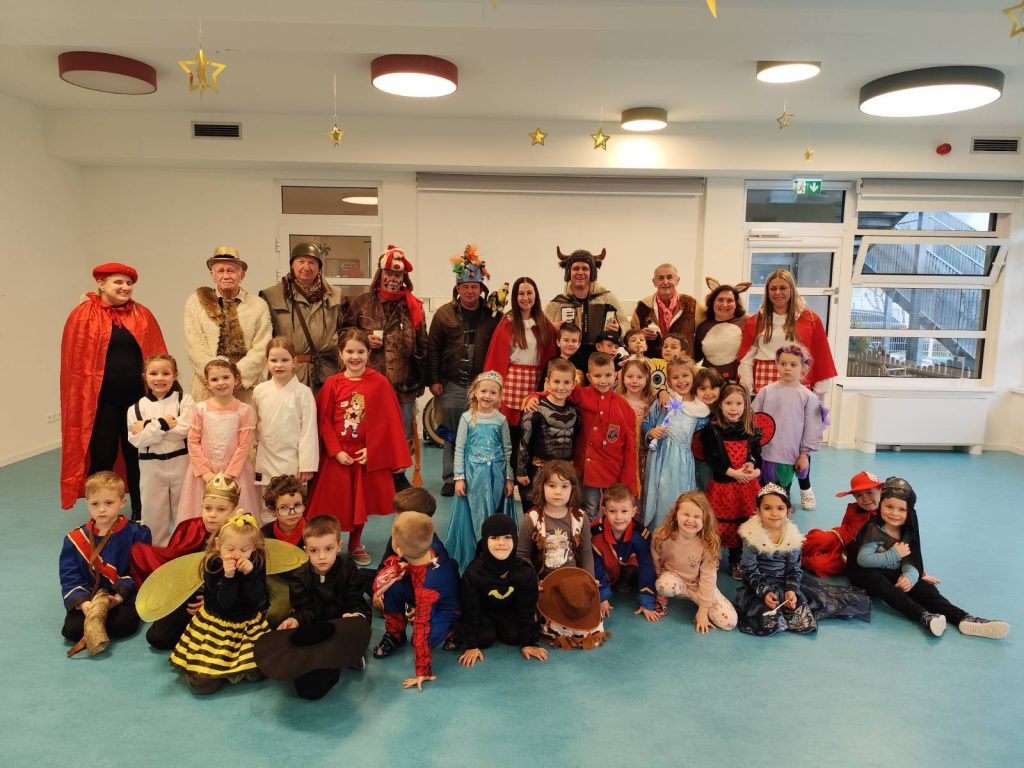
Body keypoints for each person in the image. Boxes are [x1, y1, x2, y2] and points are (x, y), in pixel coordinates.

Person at [60, 262, 167, 514]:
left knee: (137, 457)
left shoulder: (142, 315)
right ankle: (103, 512)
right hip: (101, 403)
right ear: (101, 284)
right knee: (102, 458)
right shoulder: (82, 315)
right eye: (118, 282)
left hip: (137, 402)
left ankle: (140, 511)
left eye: (128, 283)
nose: (125, 287)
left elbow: (157, 355)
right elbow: (74, 365)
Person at [846, 477, 1009, 639]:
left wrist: (910, 576)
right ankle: (924, 616)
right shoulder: (873, 529)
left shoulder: (907, 531)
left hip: (892, 572)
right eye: (889, 507)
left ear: (909, 512)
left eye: (902, 509)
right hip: (867, 574)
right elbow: (863, 560)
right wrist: (894, 554)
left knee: (924, 588)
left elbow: (911, 559)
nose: (895, 513)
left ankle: (962, 618)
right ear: (881, 506)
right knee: (883, 584)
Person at [307, 329, 411, 567]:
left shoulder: (379, 383)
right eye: (350, 351)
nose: (355, 357)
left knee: (359, 504)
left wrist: (374, 449)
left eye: (360, 351)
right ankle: (328, 544)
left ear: (368, 353)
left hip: (363, 456)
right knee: (331, 502)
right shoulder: (332, 384)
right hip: (338, 456)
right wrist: (335, 451)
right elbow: (324, 422)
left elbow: (388, 422)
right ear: (340, 354)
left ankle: (355, 544)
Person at [737, 268, 837, 510]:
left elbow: (819, 354)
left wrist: (819, 390)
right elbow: (748, 354)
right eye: (772, 288)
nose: (778, 292)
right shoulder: (758, 320)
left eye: (783, 287)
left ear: (792, 289)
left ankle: (804, 484)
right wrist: (747, 383)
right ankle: (768, 489)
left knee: (797, 434)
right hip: (765, 382)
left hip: (798, 381)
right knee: (766, 436)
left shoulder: (810, 319)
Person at [254, 515, 371, 700]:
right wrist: (295, 619)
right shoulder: (299, 577)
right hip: (317, 628)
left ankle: (351, 654)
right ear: (306, 550)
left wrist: (355, 615)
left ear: (339, 546)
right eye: (314, 550)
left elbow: (356, 600)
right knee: (307, 686)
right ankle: (333, 659)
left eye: (328, 549)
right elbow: (305, 610)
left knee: (357, 624)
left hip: (343, 624)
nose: (322, 556)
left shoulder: (347, 569)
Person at [343, 244, 428, 489]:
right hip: (366, 382)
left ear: (404, 278)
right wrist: (362, 338)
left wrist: (421, 380)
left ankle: (397, 475)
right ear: (380, 275)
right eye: (389, 273)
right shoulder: (361, 303)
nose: (393, 279)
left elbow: (423, 343)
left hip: (404, 384)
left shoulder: (413, 306)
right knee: (365, 429)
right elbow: (344, 332)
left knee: (401, 434)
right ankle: (368, 476)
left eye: (398, 275)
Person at [132, 472, 239, 650]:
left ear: (234, 511)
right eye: (208, 508)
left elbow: (245, 581)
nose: (212, 515)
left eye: (221, 510)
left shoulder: (240, 535)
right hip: (189, 595)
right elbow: (173, 568)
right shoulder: (188, 528)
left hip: (224, 599)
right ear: (201, 507)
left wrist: (211, 602)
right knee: (157, 638)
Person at [426, 245, 501, 496]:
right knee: (451, 432)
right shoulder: (444, 314)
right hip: (452, 384)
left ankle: (475, 475)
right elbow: (433, 348)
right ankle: (451, 477)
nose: (470, 291)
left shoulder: (492, 315)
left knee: (480, 431)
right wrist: (434, 380)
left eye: (474, 286)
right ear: (457, 289)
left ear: (481, 289)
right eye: (465, 286)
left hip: (483, 386)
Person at [169, 512, 271, 694]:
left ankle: (232, 668)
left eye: (244, 550)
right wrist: (228, 577)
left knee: (262, 673)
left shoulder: (257, 560)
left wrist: (250, 575)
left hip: (246, 626)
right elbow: (224, 603)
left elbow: (257, 597)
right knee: (203, 686)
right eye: (230, 549)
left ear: (254, 548)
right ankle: (205, 669)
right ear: (218, 544)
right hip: (217, 627)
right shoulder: (213, 563)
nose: (236, 555)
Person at [537, 352, 638, 520]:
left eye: (608, 375)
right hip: (587, 471)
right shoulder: (581, 395)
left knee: (614, 512)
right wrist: (535, 396)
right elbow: (558, 392)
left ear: (615, 375)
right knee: (589, 511)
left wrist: (629, 483)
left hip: (613, 471)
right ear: (589, 377)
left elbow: (630, 448)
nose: (603, 381)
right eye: (597, 376)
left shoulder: (624, 407)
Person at [483, 276, 557, 501]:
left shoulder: (544, 323)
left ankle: (527, 480)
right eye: (521, 294)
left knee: (531, 433)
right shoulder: (507, 322)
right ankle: (510, 479)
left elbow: (553, 353)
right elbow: (496, 356)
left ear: (536, 295)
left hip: (534, 382)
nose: (525, 298)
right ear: (515, 297)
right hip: (512, 383)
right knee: (512, 435)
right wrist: (494, 389)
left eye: (529, 293)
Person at [59, 471, 152, 649]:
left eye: (109, 503)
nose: (101, 509)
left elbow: (140, 572)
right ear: (87, 504)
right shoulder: (74, 539)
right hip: (89, 595)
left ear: (122, 502)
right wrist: (84, 603)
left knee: (122, 626)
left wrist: (118, 597)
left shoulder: (138, 533)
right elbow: (70, 575)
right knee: (71, 630)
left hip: (121, 595)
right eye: (95, 504)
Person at [371, 512, 461, 692]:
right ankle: (395, 634)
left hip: (446, 608)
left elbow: (421, 626)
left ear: (399, 550)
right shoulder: (429, 543)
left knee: (420, 640)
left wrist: (423, 670)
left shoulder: (427, 586)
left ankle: (454, 630)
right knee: (393, 587)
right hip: (423, 588)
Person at [176, 358, 262, 527]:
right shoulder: (199, 409)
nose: (220, 383)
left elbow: (244, 445)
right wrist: (205, 473)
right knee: (202, 512)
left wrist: (229, 475)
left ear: (236, 379)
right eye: (215, 379)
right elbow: (193, 442)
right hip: (204, 473)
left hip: (235, 473)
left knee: (235, 516)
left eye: (225, 377)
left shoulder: (244, 410)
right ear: (207, 383)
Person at [443, 371, 515, 570]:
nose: (487, 396)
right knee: (476, 511)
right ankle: (478, 551)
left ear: (499, 396)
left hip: (497, 475)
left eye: (493, 392)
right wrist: (459, 477)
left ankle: (494, 550)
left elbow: (507, 449)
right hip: (474, 475)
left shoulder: (501, 420)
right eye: (483, 391)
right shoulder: (468, 418)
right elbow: (460, 448)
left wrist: (509, 478)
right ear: (474, 392)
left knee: (494, 509)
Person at [457, 514, 547, 668]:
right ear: (485, 541)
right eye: (494, 538)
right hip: (483, 613)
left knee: (514, 637)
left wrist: (528, 643)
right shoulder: (474, 573)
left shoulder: (525, 572)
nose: (501, 543)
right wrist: (472, 645)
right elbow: (470, 610)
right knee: (483, 639)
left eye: (507, 537)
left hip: (510, 612)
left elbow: (526, 609)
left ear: (515, 540)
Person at [184, 247, 272, 402]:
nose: (226, 276)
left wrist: (236, 376)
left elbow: (262, 347)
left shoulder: (258, 305)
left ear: (241, 275)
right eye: (220, 271)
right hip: (208, 388)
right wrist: (215, 377)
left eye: (231, 271)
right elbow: (194, 344)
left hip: (246, 388)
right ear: (212, 275)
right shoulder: (196, 303)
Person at [260, 242, 348, 394]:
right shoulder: (272, 295)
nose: (306, 267)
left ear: (319, 267)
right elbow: (265, 336)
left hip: (326, 373)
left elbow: (345, 330)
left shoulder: (335, 295)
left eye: (312, 262)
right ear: (292, 264)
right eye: (301, 261)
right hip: (288, 373)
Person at [127, 354, 193, 546]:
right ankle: (157, 549)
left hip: (181, 462)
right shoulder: (135, 408)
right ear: (145, 376)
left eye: (166, 373)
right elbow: (137, 440)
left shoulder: (185, 401)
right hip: (151, 466)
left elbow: (184, 430)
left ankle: (186, 546)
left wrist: (147, 426)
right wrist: (163, 424)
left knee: (185, 508)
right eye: (154, 373)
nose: (160, 378)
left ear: (175, 375)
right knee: (153, 510)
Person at [735, 484, 817, 636]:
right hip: (758, 585)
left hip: (784, 583)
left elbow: (794, 568)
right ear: (758, 511)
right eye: (767, 508)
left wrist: (791, 589)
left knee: (800, 616)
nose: (774, 513)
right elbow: (749, 569)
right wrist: (765, 592)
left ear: (788, 511)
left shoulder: (792, 537)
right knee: (765, 619)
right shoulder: (751, 536)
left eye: (780, 508)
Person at [700, 382, 763, 579]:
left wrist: (753, 467)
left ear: (746, 405)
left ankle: (737, 559)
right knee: (718, 524)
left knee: (743, 523)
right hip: (723, 486)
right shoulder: (713, 429)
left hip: (746, 487)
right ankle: (713, 556)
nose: (734, 408)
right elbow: (712, 458)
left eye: (738, 403)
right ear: (720, 405)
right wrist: (733, 473)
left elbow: (756, 454)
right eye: (729, 403)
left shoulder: (749, 428)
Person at [650, 491, 737, 632]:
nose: (691, 520)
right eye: (686, 514)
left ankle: (699, 602)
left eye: (697, 516)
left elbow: (708, 578)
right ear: (676, 515)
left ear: (705, 519)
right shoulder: (662, 535)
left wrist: (703, 611)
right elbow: (656, 559)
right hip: (673, 581)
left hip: (698, 585)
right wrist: (660, 577)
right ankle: (662, 597)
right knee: (664, 585)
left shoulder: (708, 543)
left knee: (729, 622)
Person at [642, 357, 710, 528]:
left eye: (685, 375)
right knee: (659, 496)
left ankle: (678, 532)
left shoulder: (700, 409)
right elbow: (647, 422)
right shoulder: (665, 401)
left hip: (682, 463)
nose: (681, 381)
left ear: (693, 377)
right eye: (675, 377)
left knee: (679, 497)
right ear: (669, 381)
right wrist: (650, 431)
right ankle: (657, 532)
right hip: (659, 458)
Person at [752, 345, 825, 502]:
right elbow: (754, 419)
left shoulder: (808, 397)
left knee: (782, 495)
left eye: (793, 364)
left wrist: (804, 454)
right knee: (763, 494)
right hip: (765, 452)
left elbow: (812, 428)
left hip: (789, 454)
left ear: (803, 368)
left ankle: (794, 498)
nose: (787, 368)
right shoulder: (766, 392)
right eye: (783, 363)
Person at [251, 337, 318, 487]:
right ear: (266, 362)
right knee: (265, 499)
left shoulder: (303, 392)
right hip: (266, 456)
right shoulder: (260, 390)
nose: (279, 365)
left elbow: (309, 431)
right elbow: (254, 425)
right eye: (274, 360)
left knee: (291, 498)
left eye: (285, 360)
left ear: (294, 361)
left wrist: (307, 465)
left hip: (292, 459)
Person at [516, 358, 580, 511]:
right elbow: (524, 441)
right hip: (539, 471)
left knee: (562, 513)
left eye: (566, 382)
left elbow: (576, 439)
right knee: (535, 512)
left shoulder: (575, 411)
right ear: (547, 382)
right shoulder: (534, 408)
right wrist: (521, 471)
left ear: (574, 384)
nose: (561, 387)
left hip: (565, 472)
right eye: (556, 381)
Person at [544, 248, 623, 370]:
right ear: (569, 272)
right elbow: (541, 333)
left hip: (601, 362)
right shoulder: (556, 304)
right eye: (576, 268)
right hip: (569, 362)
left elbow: (625, 324)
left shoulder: (607, 298)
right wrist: (551, 328)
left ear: (592, 273)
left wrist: (619, 329)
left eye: (585, 268)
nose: (580, 272)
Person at [591, 484, 660, 622]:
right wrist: (602, 597)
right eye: (612, 511)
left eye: (624, 511)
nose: (618, 517)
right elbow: (595, 566)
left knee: (626, 587)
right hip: (606, 571)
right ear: (604, 511)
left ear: (633, 511)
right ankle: (609, 587)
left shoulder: (640, 535)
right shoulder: (596, 533)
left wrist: (646, 602)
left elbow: (646, 567)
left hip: (626, 568)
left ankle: (625, 582)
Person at [516, 460, 595, 579]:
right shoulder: (531, 519)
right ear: (542, 487)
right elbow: (522, 555)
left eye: (564, 486)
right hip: (543, 582)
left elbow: (586, 552)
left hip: (573, 580)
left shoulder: (580, 517)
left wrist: (590, 579)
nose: (558, 492)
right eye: (552, 485)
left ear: (572, 489)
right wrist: (532, 581)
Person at [802, 471, 883, 578]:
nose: (865, 499)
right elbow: (845, 526)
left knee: (818, 565)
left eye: (869, 492)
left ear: (880, 490)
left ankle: (796, 560)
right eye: (859, 495)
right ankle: (789, 551)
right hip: (840, 537)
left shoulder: (887, 514)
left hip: (853, 555)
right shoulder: (854, 508)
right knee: (818, 538)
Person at [630, 263, 700, 360]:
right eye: (661, 278)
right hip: (652, 364)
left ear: (677, 280)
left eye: (669, 277)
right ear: (654, 282)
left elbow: (705, 333)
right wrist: (640, 334)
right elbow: (630, 335)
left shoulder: (691, 305)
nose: (665, 282)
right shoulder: (643, 307)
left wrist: (695, 358)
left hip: (682, 364)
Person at [693, 277, 751, 383]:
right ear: (712, 302)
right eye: (720, 300)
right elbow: (696, 357)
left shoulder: (748, 322)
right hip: (709, 383)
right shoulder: (703, 327)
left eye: (730, 300)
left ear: (736, 303)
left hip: (738, 383)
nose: (724, 304)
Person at [692, 366, 725, 489]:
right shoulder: (691, 408)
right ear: (695, 390)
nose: (708, 393)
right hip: (697, 460)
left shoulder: (725, 410)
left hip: (720, 463)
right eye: (702, 388)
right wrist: (661, 393)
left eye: (713, 388)